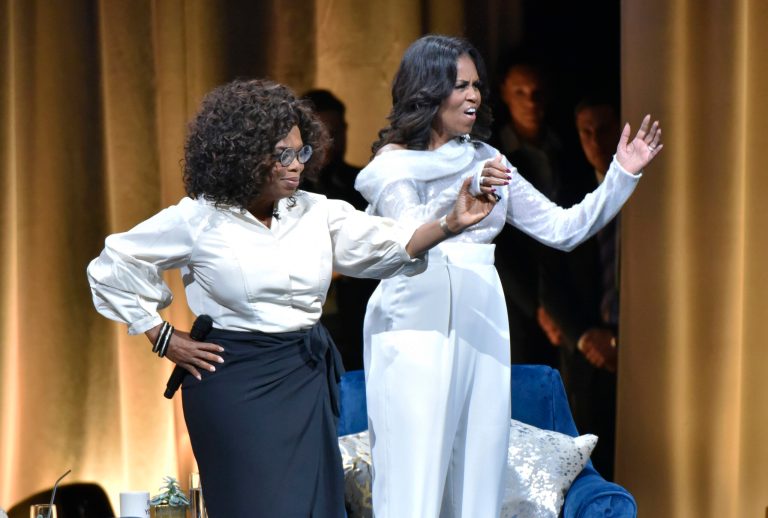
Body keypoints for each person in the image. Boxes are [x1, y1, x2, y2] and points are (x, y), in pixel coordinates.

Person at [86, 79, 497, 518]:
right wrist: (162, 336)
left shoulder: (316, 211)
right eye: (282, 154)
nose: (296, 165)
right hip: (233, 382)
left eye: (301, 152)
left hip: (303, 375)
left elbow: (392, 244)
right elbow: (112, 264)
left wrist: (451, 223)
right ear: (242, 157)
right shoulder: (199, 218)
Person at [354, 35, 662, 518]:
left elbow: (563, 229)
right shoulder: (392, 166)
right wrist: (460, 201)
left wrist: (620, 174)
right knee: (414, 473)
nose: (474, 95)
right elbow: (409, 233)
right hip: (416, 319)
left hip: (481, 318)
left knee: (479, 467)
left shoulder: (488, 160)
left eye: (477, 85)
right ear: (428, 90)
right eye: (460, 85)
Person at [537, 94, 625, 479]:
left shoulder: (661, 196)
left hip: (645, 355)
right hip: (587, 356)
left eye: (604, 130)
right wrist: (585, 336)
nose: (595, 141)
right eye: (585, 132)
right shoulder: (571, 195)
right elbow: (550, 280)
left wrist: (622, 343)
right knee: (590, 472)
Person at [301, 89, 376, 370]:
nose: (330, 142)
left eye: (336, 131)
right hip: (306, 319)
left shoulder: (364, 183)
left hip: (361, 313)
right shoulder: (285, 190)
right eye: (322, 133)